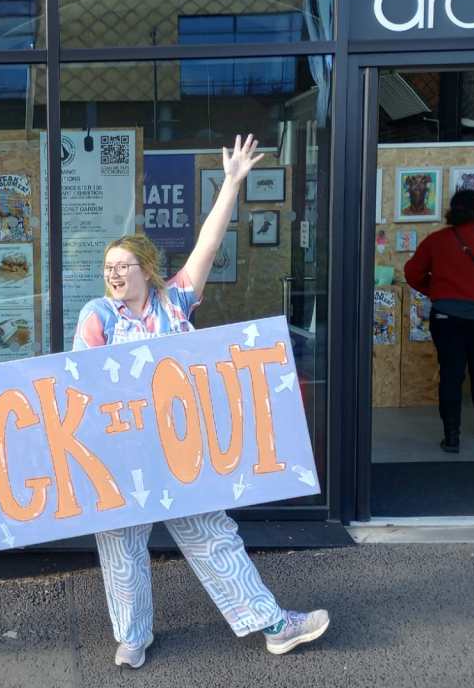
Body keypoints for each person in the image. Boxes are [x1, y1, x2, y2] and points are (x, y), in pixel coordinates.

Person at [72, 135, 329, 669]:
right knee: (120, 548)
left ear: (148, 268)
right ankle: (133, 637)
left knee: (214, 535)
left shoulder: (175, 301)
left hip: (181, 449)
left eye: (123, 265)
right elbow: (83, 383)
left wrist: (233, 181)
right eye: (107, 267)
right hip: (121, 456)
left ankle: (274, 624)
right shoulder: (96, 315)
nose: (113, 273)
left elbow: (207, 246)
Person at [404, 188, 474, 452]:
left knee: (451, 373)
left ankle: (451, 437)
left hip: (447, 317)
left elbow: (412, 272)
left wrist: (436, 291)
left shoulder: (436, 240)